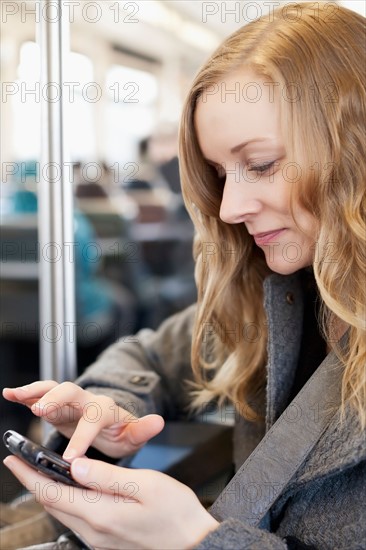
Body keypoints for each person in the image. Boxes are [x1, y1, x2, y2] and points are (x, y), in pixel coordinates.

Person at [2, 3, 365, 549]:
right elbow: (150, 353)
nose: (229, 207)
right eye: (220, 174)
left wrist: (197, 541)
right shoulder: (286, 292)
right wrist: (112, 405)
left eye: (261, 164)